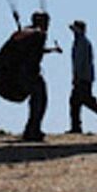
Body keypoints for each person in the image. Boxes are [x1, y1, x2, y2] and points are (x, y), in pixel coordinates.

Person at [17, 11, 62, 141]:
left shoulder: (35, 35)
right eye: (46, 22)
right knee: (39, 102)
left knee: (38, 102)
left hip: (31, 74)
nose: (48, 24)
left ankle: (32, 130)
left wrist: (52, 50)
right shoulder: (34, 33)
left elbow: (37, 50)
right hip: (29, 74)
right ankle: (32, 131)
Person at [68, 19, 97, 133]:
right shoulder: (81, 42)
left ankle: (76, 127)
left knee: (85, 101)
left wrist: (77, 77)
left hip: (83, 78)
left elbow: (79, 63)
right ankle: (76, 127)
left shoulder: (82, 42)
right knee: (77, 101)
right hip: (84, 77)